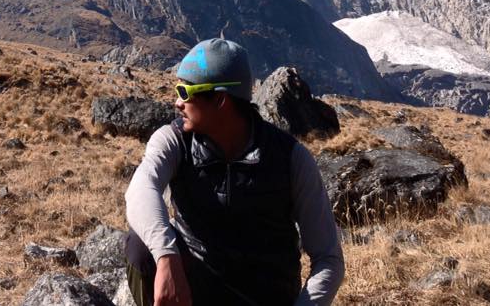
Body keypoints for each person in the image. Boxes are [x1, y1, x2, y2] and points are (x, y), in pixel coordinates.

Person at [124, 38, 344, 306]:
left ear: (220, 100)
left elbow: (328, 258)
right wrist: (166, 256)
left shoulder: (290, 158)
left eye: (184, 92)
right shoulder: (174, 140)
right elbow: (140, 190)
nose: (177, 103)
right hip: (197, 288)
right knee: (140, 249)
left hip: (264, 295)